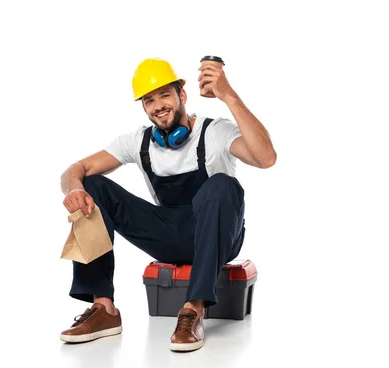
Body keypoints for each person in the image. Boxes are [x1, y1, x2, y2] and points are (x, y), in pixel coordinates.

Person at [59, 57, 276, 352]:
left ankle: (194, 308)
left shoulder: (215, 132)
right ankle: (104, 309)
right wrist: (74, 189)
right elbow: (76, 169)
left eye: (165, 95)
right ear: (144, 108)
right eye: (149, 100)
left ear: (182, 96)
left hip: (219, 238)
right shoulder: (138, 142)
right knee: (92, 186)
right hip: (169, 235)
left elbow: (266, 158)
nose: (158, 105)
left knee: (223, 184)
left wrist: (227, 95)